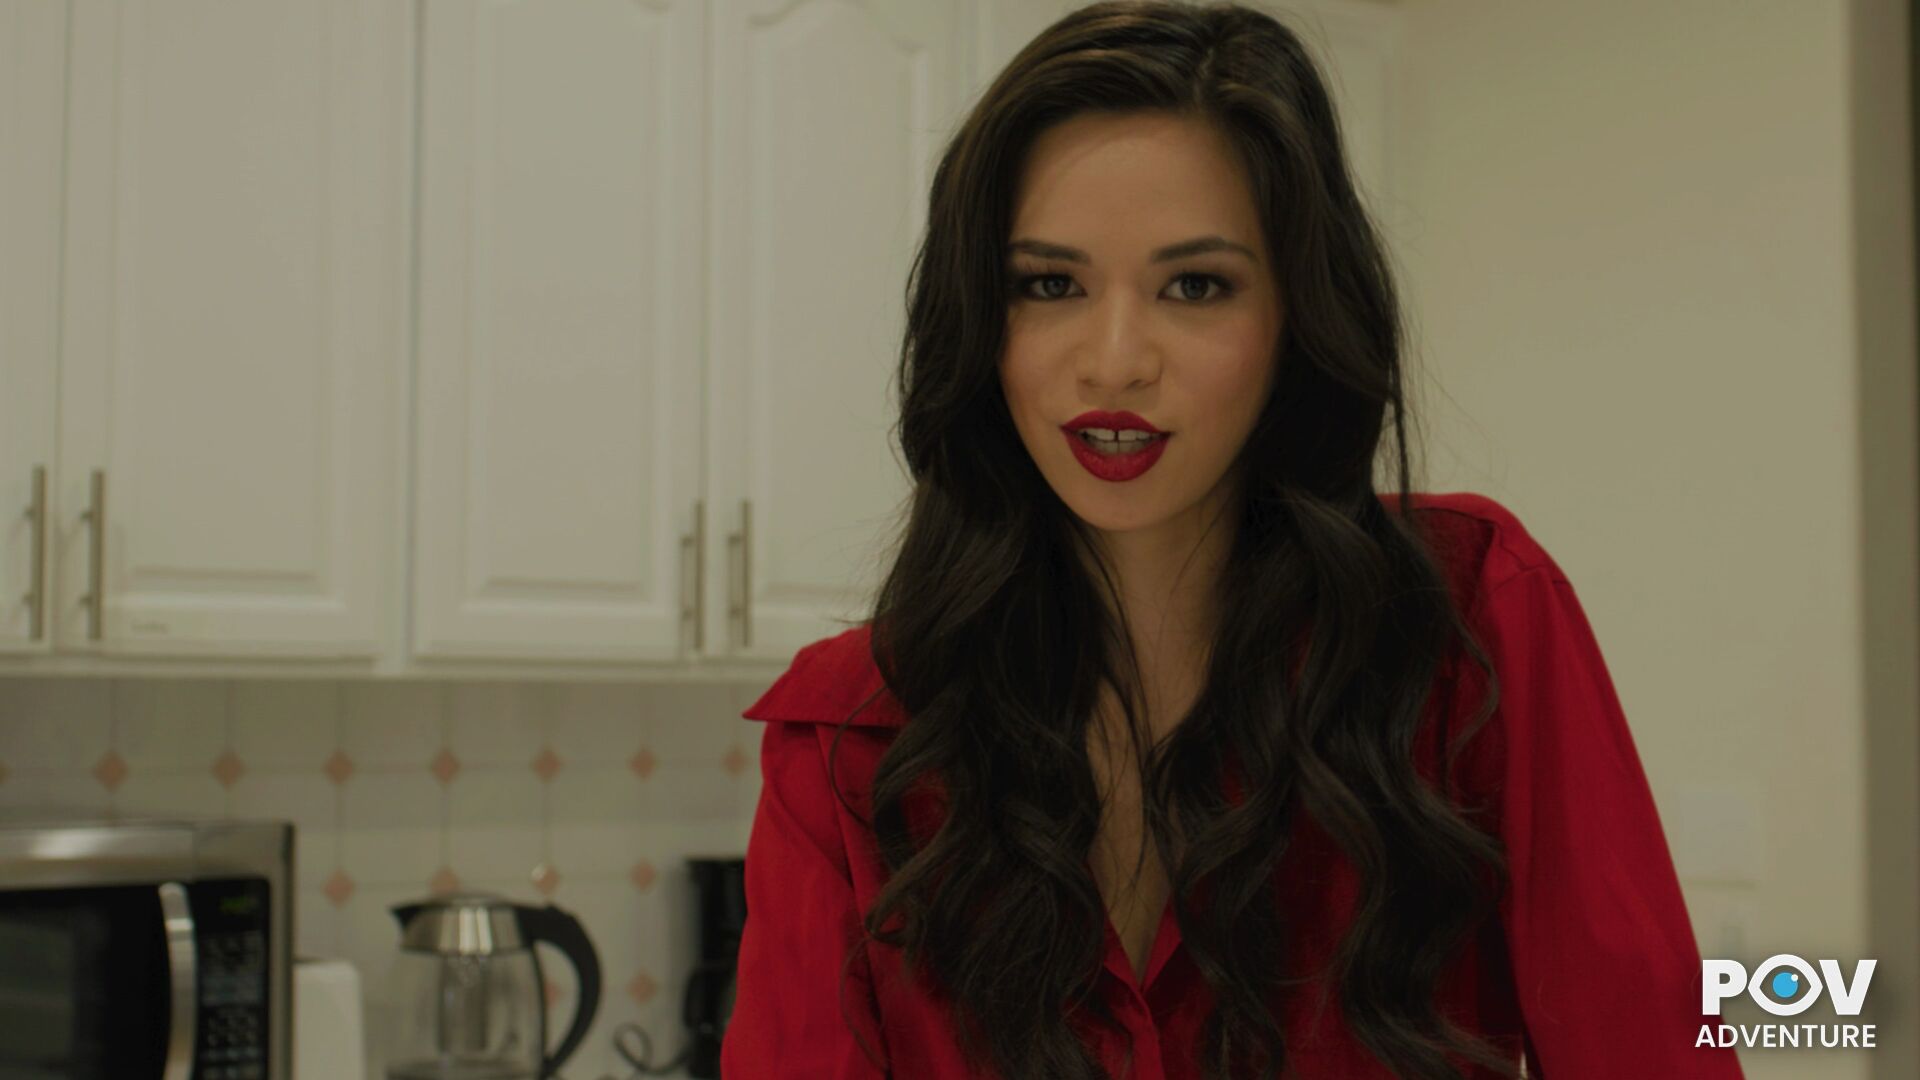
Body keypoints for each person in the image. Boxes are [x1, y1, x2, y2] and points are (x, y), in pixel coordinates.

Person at [721, 2, 1747, 1078]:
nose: (1116, 360)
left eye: (1195, 286)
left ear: (1294, 318)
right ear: (982, 321)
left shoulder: (1467, 621)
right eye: (1050, 284)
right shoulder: (845, 735)